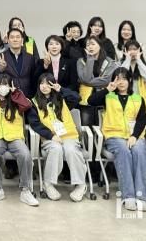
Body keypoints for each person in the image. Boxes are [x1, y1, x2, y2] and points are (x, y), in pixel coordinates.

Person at [88, 68, 146, 212]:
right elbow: (91, 101)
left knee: (140, 151)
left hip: (134, 136)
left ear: (129, 80)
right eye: (118, 79)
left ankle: (141, 197)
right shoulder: (108, 96)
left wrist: (134, 136)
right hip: (114, 135)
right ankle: (128, 196)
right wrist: (107, 89)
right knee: (124, 151)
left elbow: (142, 120)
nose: (121, 82)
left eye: (124, 78)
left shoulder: (138, 98)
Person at [26, 73, 87, 202]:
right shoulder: (33, 102)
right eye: (41, 83)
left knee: (71, 150)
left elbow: (77, 98)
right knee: (56, 149)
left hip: (68, 136)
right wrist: (51, 136)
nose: (44, 86)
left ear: (53, 85)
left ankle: (81, 185)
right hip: (50, 138)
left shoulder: (62, 98)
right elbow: (35, 124)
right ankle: (48, 184)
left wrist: (61, 89)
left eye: (48, 83)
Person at [0, 73, 38, 206]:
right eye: (1, 84)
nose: (3, 87)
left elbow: (27, 106)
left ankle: (26, 190)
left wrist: (16, 93)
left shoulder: (16, 98)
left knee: (25, 155)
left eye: (6, 84)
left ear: (11, 86)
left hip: (14, 136)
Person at [76, 36, 118, 127]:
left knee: (103, 127)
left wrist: (88, 82)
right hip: (85, 100)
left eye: (93, 44)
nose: (90, 47)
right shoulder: (81, 61)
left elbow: (106, 80)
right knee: (86, 128)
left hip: (104, 98)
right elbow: (85, 78)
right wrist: (90, 59)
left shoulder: (110, 62)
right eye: (88, 45)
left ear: (100, 46)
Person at [0, 28, 38, 98]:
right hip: (8, 97)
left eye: (18, 37)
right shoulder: (0, 57)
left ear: (22, 40)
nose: (15, 39)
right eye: (12, 37)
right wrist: (0, 69)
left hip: (27, 97)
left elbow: (34, 79)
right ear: (8, 40)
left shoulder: (30, 58)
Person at [119, 40, 146, 111]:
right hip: (125, 100)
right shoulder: (120, 64)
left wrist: (139, 60)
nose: (132, 52)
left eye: (135, 49)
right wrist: (127, 60)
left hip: (141, 100)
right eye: (129, 49)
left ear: (139, 51)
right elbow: (121, 76)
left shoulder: (145, 65)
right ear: (125, 51)